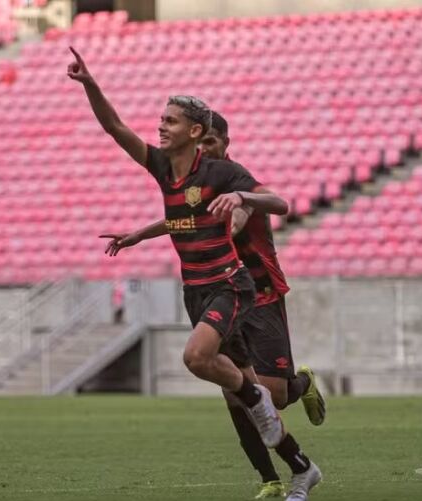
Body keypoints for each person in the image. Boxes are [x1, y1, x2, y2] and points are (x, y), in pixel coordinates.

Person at [68, 47, 291, 472]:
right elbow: (115, 128)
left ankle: (287, 409)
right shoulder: (163, 168)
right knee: (238, 388)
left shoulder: (223, 172)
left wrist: (242, 199)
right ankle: (282, 472)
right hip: (199, 290)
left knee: (249, 384)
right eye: (161, 120)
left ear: (195, 132)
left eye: (169, 121)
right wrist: (91, 84)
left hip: (241, 286)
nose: (159, 126)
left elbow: (278, 203)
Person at [102, 112, 324, 501]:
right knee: (234, 391)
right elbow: (185, 217)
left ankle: (301, 383)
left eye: (210, 145)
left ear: (223, 143)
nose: (204, 152)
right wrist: (141, 233)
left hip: (260, 293)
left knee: (272, 395)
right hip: (217, 290)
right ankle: (271, 476)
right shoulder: (195, 181)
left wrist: (236, 206)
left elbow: (242, 214)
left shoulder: (232, 180)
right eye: (201, 147)